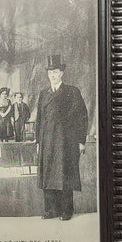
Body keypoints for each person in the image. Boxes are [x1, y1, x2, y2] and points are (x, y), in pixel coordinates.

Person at [35, 54, 88, 221]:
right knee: (49, 174)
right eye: (50, 72)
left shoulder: (72, 91)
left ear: (62, 73)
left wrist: (81, 141)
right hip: (47, 141)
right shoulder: (43, 94)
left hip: (66, 142)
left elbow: (82, 117)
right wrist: (38, 142)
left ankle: (66, 210)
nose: (52, 75)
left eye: (56, 71)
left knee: (65, 175)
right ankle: (51, 210)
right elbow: (39, 119)